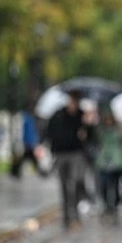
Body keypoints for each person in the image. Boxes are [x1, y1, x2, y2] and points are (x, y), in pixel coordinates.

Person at [44, 89, 90, 230]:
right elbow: (49, 132)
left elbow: (90, 135)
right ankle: (66, 215)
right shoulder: (58, 115)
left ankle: (75, 213)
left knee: (76, 181)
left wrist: (86, 129)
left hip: (76, 153)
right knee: (63, 184)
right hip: (60, 153)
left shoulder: (82, 116)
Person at [93, 108, 122, 224]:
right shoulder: (100, 129)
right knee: (104, 184)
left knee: (117, 185)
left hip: (119, 161)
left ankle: (116, 204)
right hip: (104, 161)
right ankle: (109, 205)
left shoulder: (121, 128)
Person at [10, 102, 45, 178]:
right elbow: (24, 131)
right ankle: (15, 171)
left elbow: (33, 131)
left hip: (30, 142)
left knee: (29, 158)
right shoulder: (25, 118)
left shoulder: (32, 118)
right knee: (26, 158)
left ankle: (15, 171)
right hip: (27, 143)